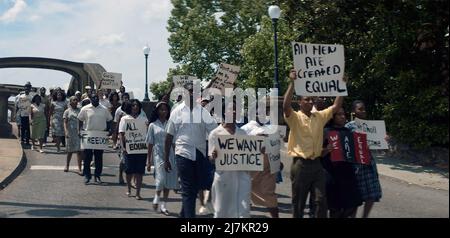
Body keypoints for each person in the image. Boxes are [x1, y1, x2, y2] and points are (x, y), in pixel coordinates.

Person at [283, 69, 344, 218]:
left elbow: (335, 107)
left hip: (317, 164)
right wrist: (292, 82)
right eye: (307, 99)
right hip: (300, 166)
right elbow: (285, 106)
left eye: (312, 100)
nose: (311, 102)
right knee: (299, 202)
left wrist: (343, 85)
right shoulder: (295, 118)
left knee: (320, 200)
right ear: (300, 102)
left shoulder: (319, 116)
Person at [164, 81, 217, 218]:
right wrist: (166, 159)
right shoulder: (176, 111)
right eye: (189, 91)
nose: (192, 93)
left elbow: (214, 132)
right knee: (188, 188)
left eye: (195, 91)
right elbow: (169, 136)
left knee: (194, 187)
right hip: (183, 153)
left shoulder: (203, 112)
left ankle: (183, 213)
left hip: (199, 153)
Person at [208, 102, 252, 218]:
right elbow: (211, 159)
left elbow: (249, 156)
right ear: (224, 112)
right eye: (230, 109)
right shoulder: (215, 133)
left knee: (242, 211)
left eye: (236, 109)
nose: (233, 112)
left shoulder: (243, 134)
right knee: (221, 211)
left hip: (241, 177)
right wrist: (214, 155)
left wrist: (259, 151)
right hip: (223, 178)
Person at [322, 107, 362, 218]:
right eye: (339, 114)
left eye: (344, 114)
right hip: (332, 174)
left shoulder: (348, 132)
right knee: (335, 208)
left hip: (348, 174)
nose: (343, 116)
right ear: (332, 117)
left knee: (352, 204)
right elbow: (316, 153)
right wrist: (326, 150)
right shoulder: (325, 131)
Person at [345, 100, 382, 218]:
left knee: (372, 194)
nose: (363, 111)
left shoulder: (372, 127)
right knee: (356, 197)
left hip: (369, 165)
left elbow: (379, 148)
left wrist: (383, 140)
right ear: (353, 112)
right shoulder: (349, 127)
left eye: (364, 108)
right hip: (356, 166)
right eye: (359, 109)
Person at [241, 116, 279, 218]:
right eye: (260, 111)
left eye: (264, 111)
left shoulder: (271, 128)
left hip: (268, 169)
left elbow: (276, 146)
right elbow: (241, 147)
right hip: (252, 168)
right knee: (246, 193)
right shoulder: (246, 128)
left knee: (270, 194)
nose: (263, 114)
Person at [146, 101, 179, 215]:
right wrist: (148, 161)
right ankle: (156, 197)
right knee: (160, 179)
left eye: (165, 109)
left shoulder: (171, 124)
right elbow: (150, 143)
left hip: (170, 154)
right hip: (158, 154)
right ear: (157, 111)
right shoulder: (152, 125)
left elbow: (174, 142)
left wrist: (177, 157)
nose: (163, 111)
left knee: (168, 180)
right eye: (161, 109)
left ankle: (164, 205)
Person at [78, 93, 113, 184]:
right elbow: (80, 120)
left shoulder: (104, 109)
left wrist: (109, 130)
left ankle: (97, 175)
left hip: (100, 135)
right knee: (87, 157)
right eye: (93, 98)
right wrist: (80, 130)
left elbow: (109, 120)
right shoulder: (85, 109)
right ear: (90, 99)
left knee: (98, 157)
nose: (95, 99)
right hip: (88, 134)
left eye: (97, 98)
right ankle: (87, 175)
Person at [119, 99, 148, 200]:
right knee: (129, 171)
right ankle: (129, 189)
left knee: (139, 171)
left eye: (137, 105)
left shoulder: (144, 119)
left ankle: (138, 193)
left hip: (141, 149)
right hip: (129, 149)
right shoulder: (124, 119)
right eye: (133, 105)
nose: (135, 107)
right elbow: (121, 134)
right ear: (129, 107)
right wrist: (123, 147)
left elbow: (146, 134)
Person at [63, 96, 82, 174]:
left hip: (78, 132)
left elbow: (82, 121)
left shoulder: (80, 111)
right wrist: (66, 131)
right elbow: (65, 122)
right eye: (73, 100)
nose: (75, 101)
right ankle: (67, 165)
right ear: (70, 102)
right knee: (70, 151)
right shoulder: (67, 111)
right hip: (70, 132)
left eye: (76, 100)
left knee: (79, 151)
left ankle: (79, 168)